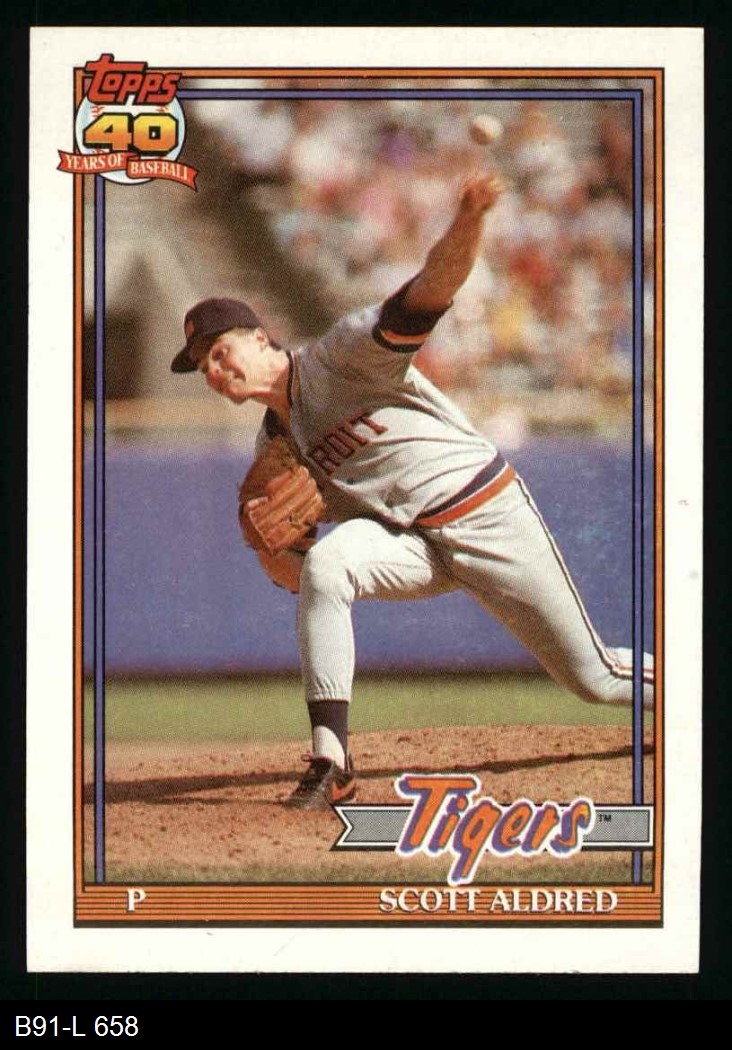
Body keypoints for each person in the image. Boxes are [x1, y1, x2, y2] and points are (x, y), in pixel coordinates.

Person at [171, 172, 654, 810]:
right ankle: (331, 759)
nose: (213, 369)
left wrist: (470, 219)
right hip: (415, 546)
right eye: (202, 364)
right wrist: (270, 548)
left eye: (220, 350)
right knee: (329, 563)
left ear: (261, 338)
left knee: (595, 678)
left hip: (487, 516)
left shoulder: (341, 358)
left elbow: (431, 289)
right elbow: (301, 578)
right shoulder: (274, 450)